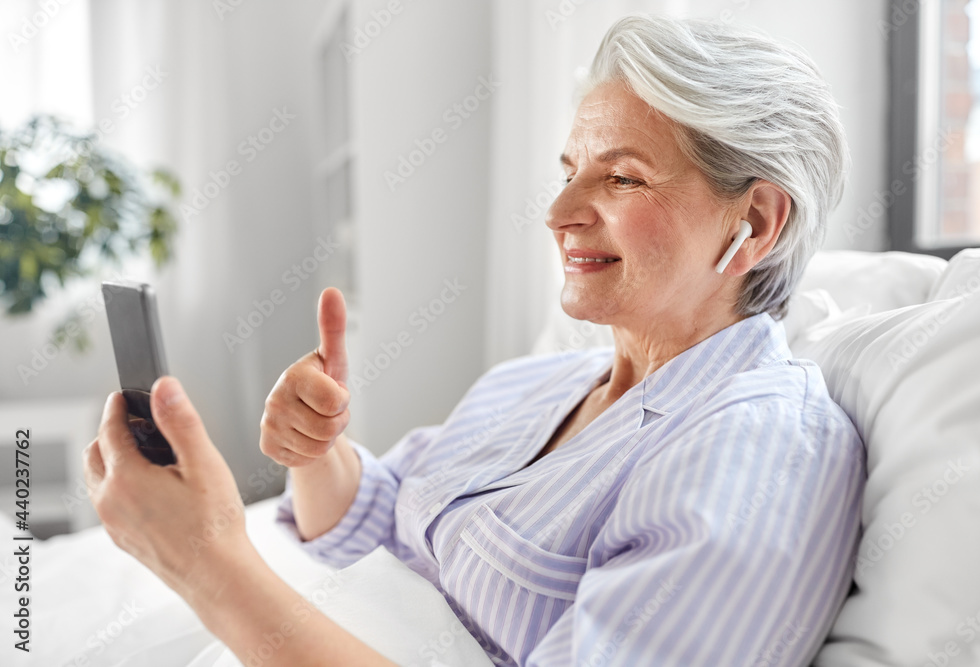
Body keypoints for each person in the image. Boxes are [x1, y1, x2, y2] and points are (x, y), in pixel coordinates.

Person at [85, 14, 865, 667]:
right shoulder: (538, 384)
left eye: (621, 178)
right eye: (569, 170)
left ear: (755, 222)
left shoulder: (756, 452)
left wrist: (207, 562)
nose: (560, 211)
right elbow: (377, 521)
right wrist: (320, 449)